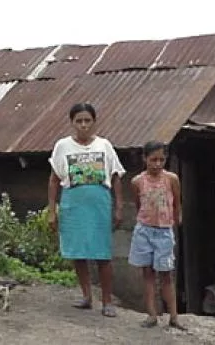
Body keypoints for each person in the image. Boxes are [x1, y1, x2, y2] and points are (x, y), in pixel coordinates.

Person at [47, 102, 125, 318]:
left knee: (102, 254)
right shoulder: (62, 146)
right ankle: (86, 296)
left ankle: (107, 301)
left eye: (87, 121)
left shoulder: (104, 145)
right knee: (77, 252)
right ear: (72, 123)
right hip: (73, 204)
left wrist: (118, 207)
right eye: (78, 121)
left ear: (94, 122)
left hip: (99, 203)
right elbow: (54, 180)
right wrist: (52, 210)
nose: (83, 125)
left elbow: (117, 177)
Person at [128, 141, 186, 330]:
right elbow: (138, 204)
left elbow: (177, 202)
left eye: (162, 159)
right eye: (153, 160)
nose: (158, 164)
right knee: (147, 273)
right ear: (145, 159)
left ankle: (174, 316)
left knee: (167, 274)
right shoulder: (137, 181)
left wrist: (176, 219)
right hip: (144, 230)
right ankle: (152, 314)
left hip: (164, 231)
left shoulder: (171, 179)